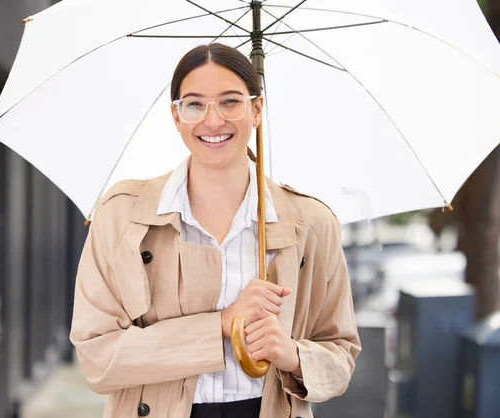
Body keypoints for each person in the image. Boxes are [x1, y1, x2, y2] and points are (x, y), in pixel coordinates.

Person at [70, 43, 361, 418]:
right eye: (194, 104)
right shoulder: (122, 215)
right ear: (176, 117)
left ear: (257, 109)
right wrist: (221, 325)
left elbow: (341, 354)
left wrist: (292, 354)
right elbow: (97, 358)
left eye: (230, 102)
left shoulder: (312, 223)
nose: (212, 121)